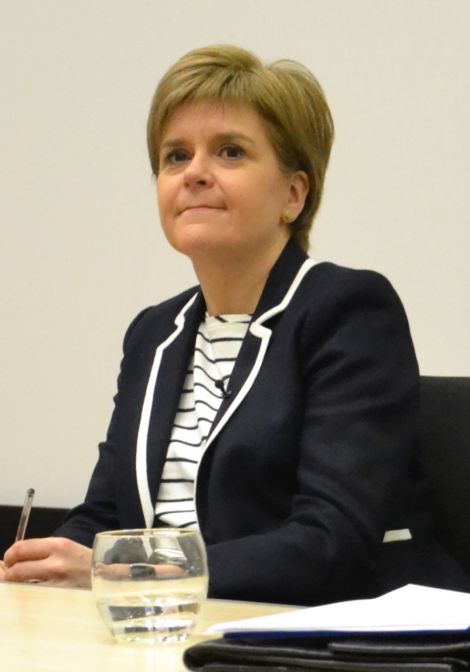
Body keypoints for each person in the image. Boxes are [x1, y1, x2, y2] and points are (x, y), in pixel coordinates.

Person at [1, 45, 468, 604]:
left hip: (331, 634)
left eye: (229, 152)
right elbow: (106, 514)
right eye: (175, 157)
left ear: (293, 195)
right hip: (173, 629)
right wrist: (50, 561)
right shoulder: (154, 333)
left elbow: (330, 543)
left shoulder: (347, 310)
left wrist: (131, 573)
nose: (194, 172)